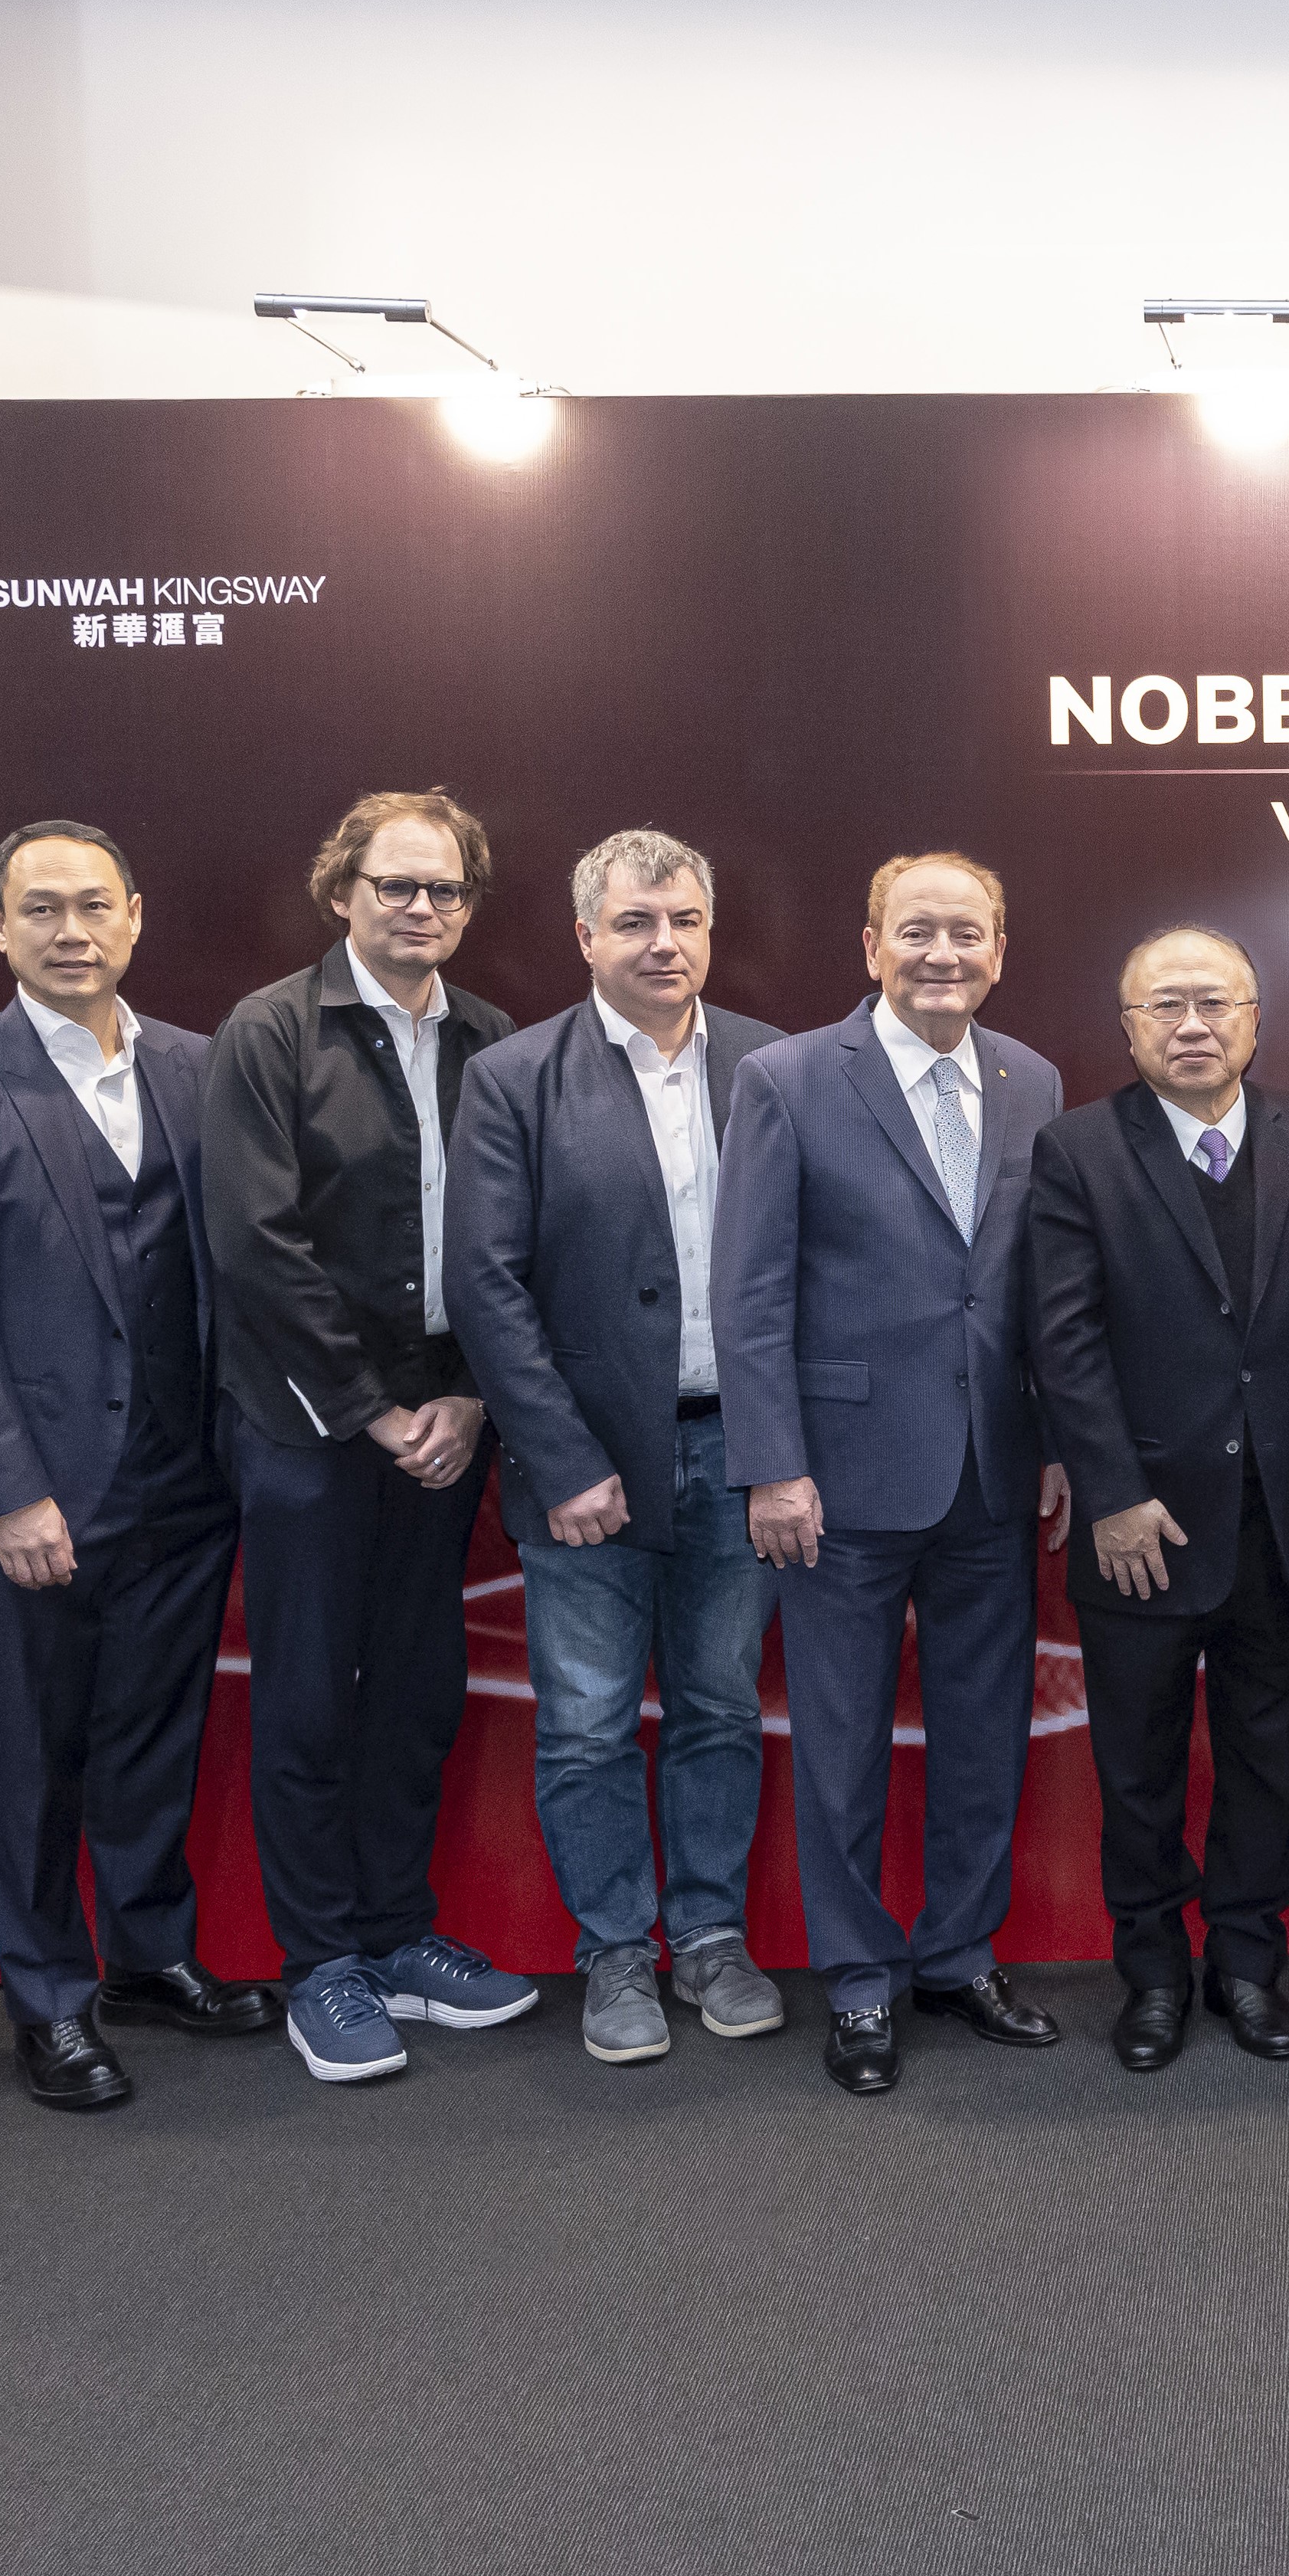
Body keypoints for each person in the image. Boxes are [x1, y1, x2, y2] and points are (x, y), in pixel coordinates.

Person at [0, 819, 276, 2117]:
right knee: (41, 1752)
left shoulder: (199, 1064)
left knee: (157, 1732)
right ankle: (49, 1998)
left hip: (188, 1474)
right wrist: (9, 1491)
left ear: (135, 916)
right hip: (43, 1493)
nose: (71, 930)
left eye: (93, 905)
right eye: (40, 908)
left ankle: (151, 1951)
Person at [714, 852, 1071, 2095]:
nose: (943, 954)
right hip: (840, 1475)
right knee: (842, 1741)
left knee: (984, 1737)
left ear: (999, 948)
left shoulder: (1033, 1080)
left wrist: (1059, 1445)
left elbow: (1039, 1290)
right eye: (916, 930)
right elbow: (748, 1289)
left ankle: (959, 1955)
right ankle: (859, 1979)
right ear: (870, 944)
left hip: (993, 1470)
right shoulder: (788, 1078)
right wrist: (770, 1463)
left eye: (966, 932)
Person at [204, 787, 540, 2084]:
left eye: (444, 889)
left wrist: (466, 1399)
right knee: (305, 1693)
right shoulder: (269, 1032)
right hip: (310, 1422)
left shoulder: (494, 1042)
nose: (419, 909)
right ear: (340, 891)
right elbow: (255, 1243)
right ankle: (324, 1963)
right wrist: (374, 1406)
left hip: (447, 1425)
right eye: (394, 885)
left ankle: (400, 1935)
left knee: (417, 1685)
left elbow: (510, 1243)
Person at [449, 830, 789, 2067]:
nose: (665, 944)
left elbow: (806, 1269)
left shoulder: (772, 1065)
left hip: (734, 1452)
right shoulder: (514, 1076)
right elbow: (485, 1285)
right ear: (586, 936)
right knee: (586, 1724)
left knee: (717, 1710)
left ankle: (706, 1936)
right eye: (637, 921)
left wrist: (780, 1447)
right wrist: (562, 1454)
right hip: (584, 1467)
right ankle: (615, 1952)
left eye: (686, 919)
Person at [1028, 927, 1289, 2069]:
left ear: (1254, 1018)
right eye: (1163, 1005)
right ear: (1127, 1029)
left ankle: (1249, 1964)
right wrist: (1112, 1492)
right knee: (1139, 1763)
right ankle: (1154, 1973)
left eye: (1214, 1003)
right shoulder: (1075, 1148)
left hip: (1278, 1512)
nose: (1191, 1024)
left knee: (1266, 1755)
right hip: (1142, 1528)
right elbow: (1061, 1338)